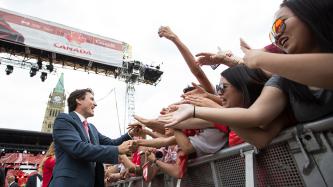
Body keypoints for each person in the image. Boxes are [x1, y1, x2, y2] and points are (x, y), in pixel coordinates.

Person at [158, 0, 333, 135]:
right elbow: (255, 119)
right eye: (273, 32)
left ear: (309, 13)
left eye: (280, 24)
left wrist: (256, 59)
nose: (277, 35)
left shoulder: (272, 66)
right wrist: (195, 110)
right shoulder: (283, 79)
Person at [49, 88, 139, 187]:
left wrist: (131, 134)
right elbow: (78, 148)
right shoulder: (64, 119)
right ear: (79, 100)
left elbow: (112, 143)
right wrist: (117, 149)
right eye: (91, 99)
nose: (95, 104)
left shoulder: (92, 128)